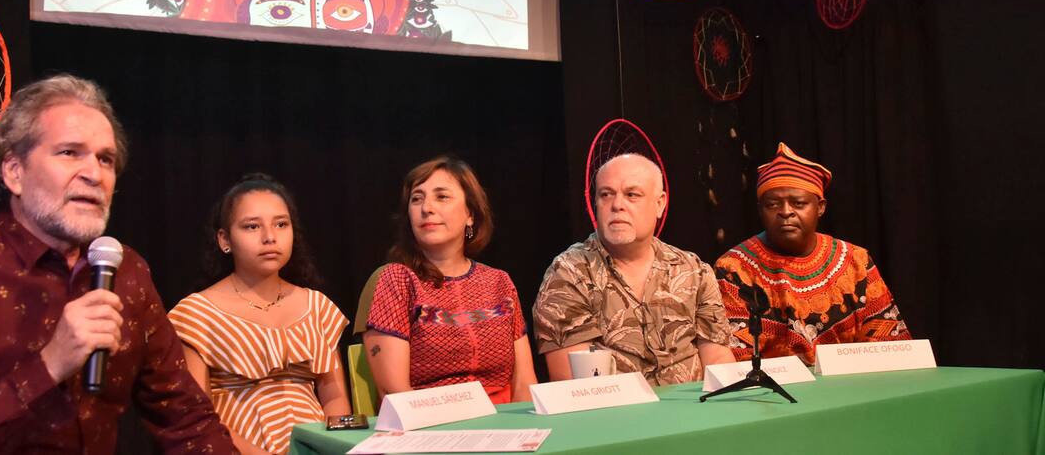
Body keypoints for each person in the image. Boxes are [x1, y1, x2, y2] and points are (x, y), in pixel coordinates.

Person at [0, 74, 236, 453]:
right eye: (69, 153)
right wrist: (48, 366)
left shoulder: (126, 271)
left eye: (105, 159)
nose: (94, 174)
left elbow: (186, 418)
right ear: (14, 172)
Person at [169, 175, 350, 455]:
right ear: (224, 240)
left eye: (281, 224)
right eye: (252, 226)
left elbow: (335, 403)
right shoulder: (196, 314)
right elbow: (198, 417)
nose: (270, 237)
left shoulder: (317, 306)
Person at [534, 153, 734, 385]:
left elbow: (718, 358)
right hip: (613, 405)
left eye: (632, 195)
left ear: (659, 204)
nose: (617, 205)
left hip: (695, 404)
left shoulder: (694, 270)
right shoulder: (569, 272)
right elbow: (574, 380)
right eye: (606, 194)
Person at [714, 143, 911, 364]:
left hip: (852, 380)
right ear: (760, 209)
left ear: (821, 207)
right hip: (773, 385)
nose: (786, 212)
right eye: (773, 204)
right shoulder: (733, 268)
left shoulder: (855, 260)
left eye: (798, 203)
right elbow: (736, 359)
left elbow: (889, 346)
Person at [364, 156, 536, 403]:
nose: (426, 208)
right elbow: (395, 394)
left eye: (442, 197)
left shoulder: (499, 282)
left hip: (504, 419)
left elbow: (524, 384)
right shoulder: (397, 280)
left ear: (470, 214)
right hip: (431, 419)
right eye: (416, 199)